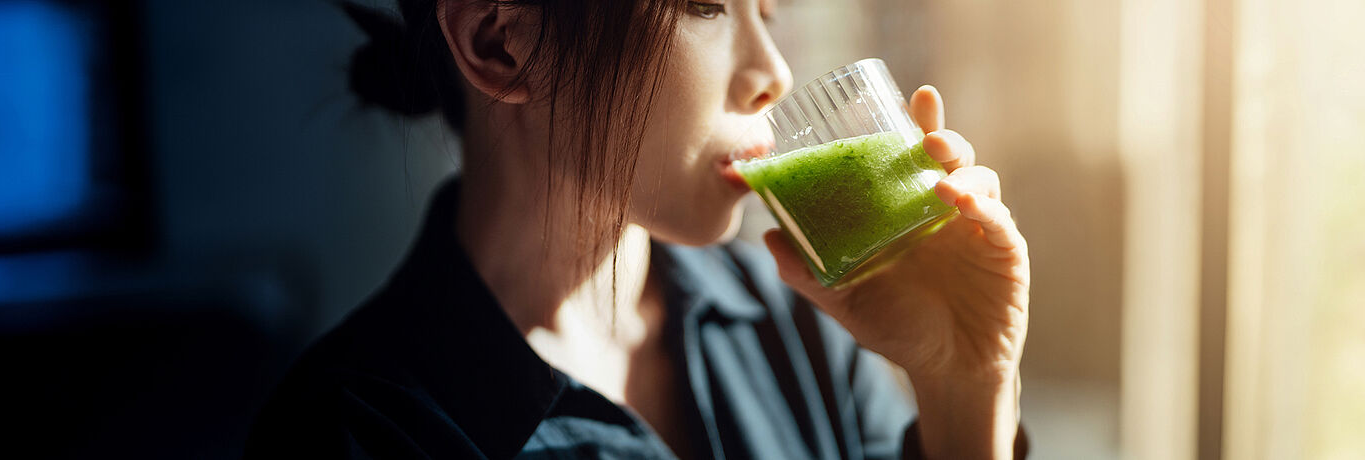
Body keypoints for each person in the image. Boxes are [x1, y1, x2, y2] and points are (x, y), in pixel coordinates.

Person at [246, 0, 1031, 458]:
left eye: (768, 8)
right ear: (502, 44)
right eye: (707, 7)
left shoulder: (799, 319)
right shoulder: (354, 434)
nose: (771, 74)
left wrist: (963, 386)